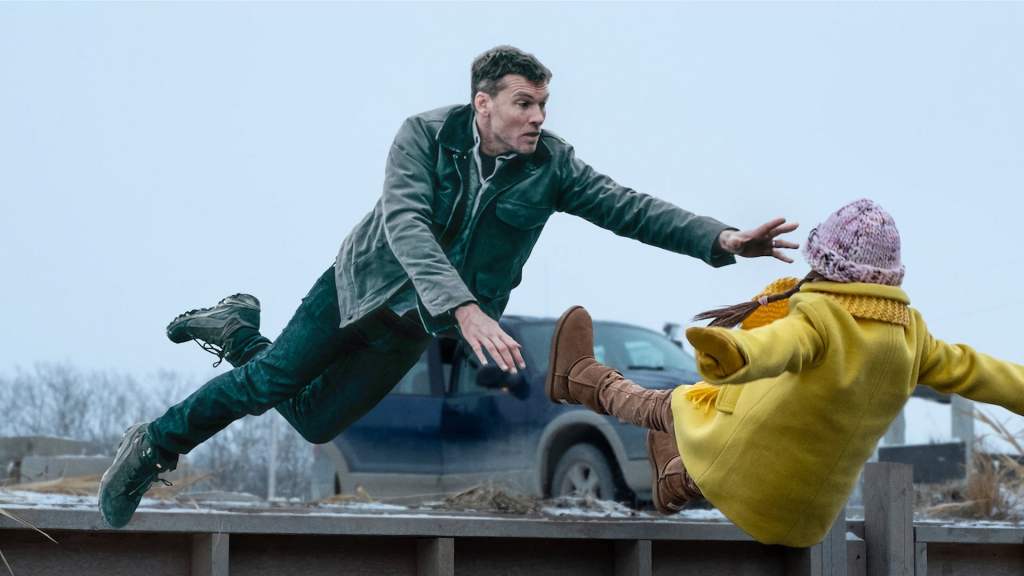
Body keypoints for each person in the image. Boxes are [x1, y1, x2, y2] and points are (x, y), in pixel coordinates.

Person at [98, 45, 800, 528]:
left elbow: (628, 207)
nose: (538, 117)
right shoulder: (424, 138)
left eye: (544, 104)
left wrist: (721, 240)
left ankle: (235, 330)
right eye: (524, 103)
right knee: (266, 386)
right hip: (360, 288)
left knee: (315, 421)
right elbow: (407, 225)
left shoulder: (552, 167)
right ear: (483, 104)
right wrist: (463, 307)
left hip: (412, 326)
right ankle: (154, 446)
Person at [545, 198, 1024, 547]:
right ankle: (676, 478)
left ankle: (583, 377)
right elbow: (976, 369)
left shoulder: (824, 318)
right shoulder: (911, 336)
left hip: (745, 488)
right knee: (719, 415)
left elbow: (776, 345)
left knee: (674, 404)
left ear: (828, 266)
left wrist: (732, 351)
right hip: (806, 520)